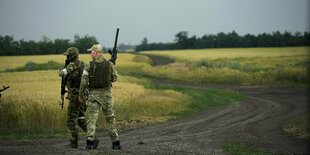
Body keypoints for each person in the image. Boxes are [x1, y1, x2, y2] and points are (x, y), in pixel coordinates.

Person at [79, 44, 121, 150]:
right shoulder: (109, 64)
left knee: (92, 119)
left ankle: (90, 143)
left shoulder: (88, 65)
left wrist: (81, 94)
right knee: (110, 119)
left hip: (93, 95)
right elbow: (114, 78)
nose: (90, 53)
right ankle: (116, 143)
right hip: (107, 95)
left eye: (92, 52)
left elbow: (83, 82)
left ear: (97, 52)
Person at [58, 47, 87, 148]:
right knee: (80, 118)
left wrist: (63, 68)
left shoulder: (73, 65)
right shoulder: (83, 64)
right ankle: (93, 137)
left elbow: (61, 73)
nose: (67, 57)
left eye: (68, 55)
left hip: (75, 95)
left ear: (73, 55)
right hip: (84, 94)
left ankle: (74, 141)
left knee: (71, 120)